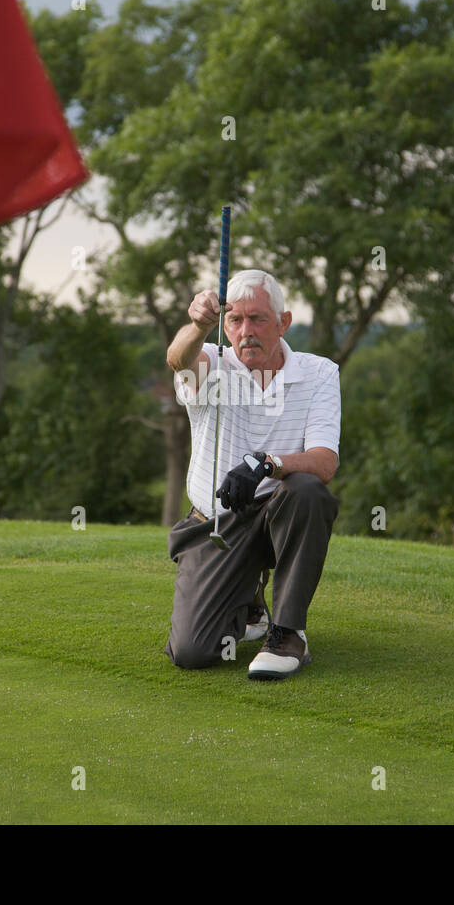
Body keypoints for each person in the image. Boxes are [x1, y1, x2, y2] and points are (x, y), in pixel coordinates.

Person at [163, 268, 341, 680]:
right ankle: (251, 604)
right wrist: (196, 326)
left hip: (280, 513)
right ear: (224, 325)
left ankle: (288, 632)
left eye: (258, 319)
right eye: (235, 320)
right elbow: (178, 359)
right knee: (192, 652)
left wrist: (267, 463)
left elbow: (324, 461)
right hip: (217, 525)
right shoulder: (212, 363)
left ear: (283, 322)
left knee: (307, 491)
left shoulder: (318, 373)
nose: (246, 331)